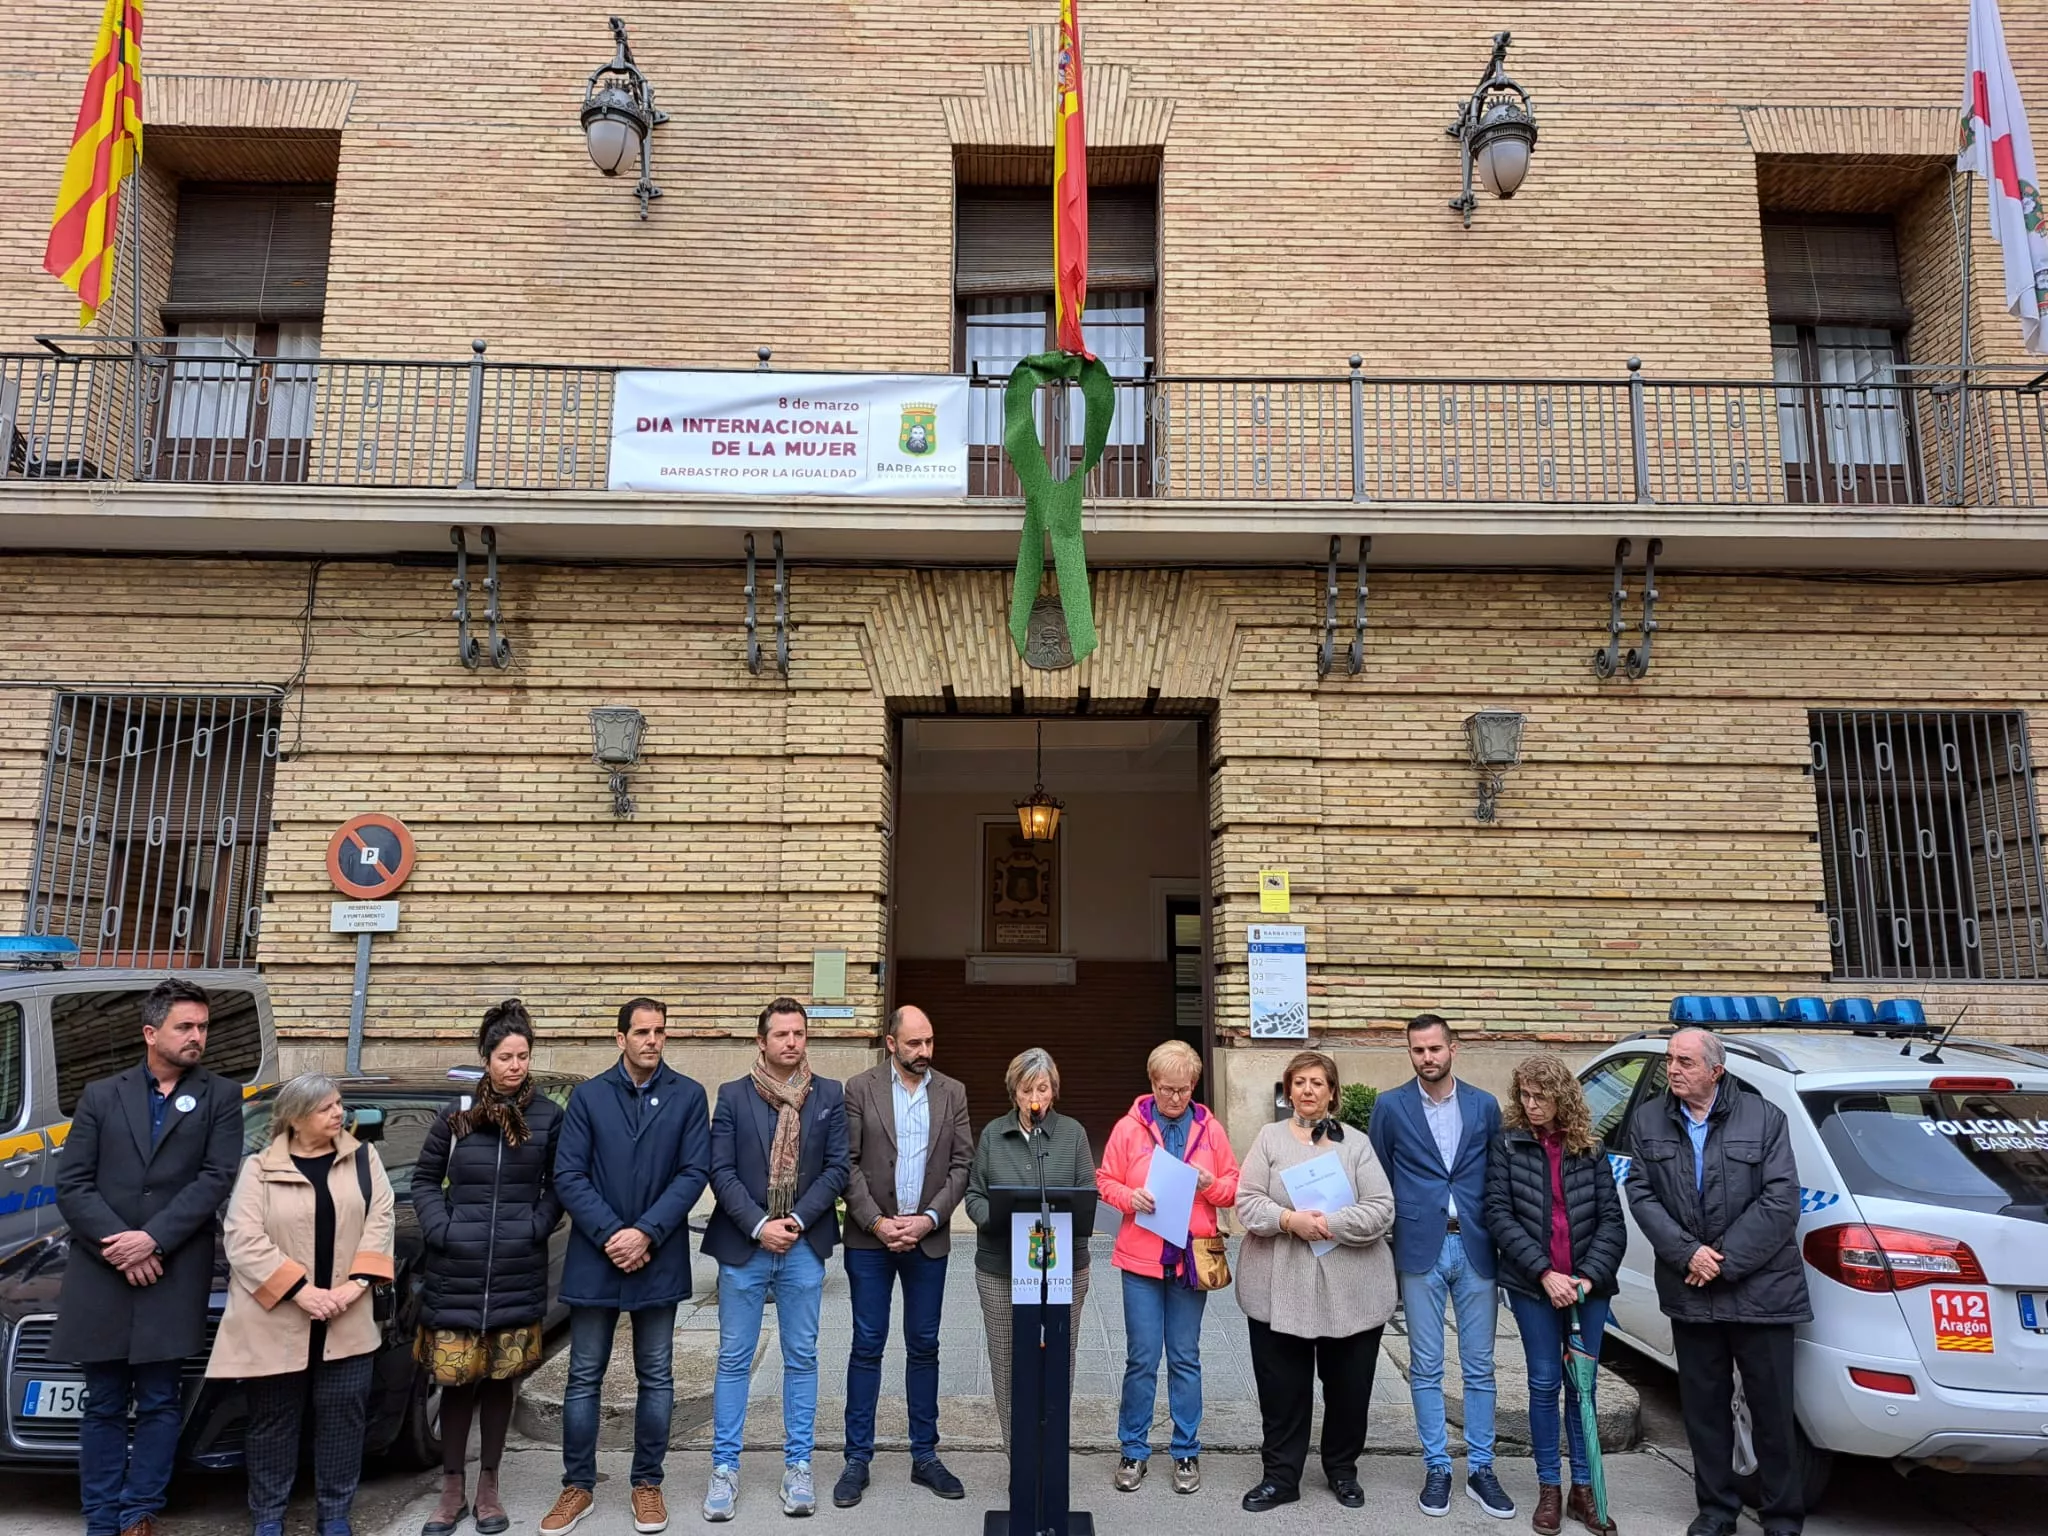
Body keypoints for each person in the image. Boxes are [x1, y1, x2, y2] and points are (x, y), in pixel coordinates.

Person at [54, 977, 244, 1536]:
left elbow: (215, 1179)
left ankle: (140, 1511)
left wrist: (153, 1239)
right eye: (185, 1026)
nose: (198, 1037)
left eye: (203, 1027)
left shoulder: (221, 1097)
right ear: (150, 1032)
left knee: (161, 1398)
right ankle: (101, 1518)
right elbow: (73, 1186)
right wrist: (121, 1244)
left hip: (171, 1269)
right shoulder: (101, 1095)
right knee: (105, 1401)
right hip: (104, 1269)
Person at [1624, 1028, 1810, 1536]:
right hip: (1691, 1291)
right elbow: (1642, 1194)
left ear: (1715, 1070)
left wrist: (1720, 1262)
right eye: (1670, 1060)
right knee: (1705, 1413)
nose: (1673, 1069)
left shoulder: (1764, 1118)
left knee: (1771, 1413)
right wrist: (1688, 1253)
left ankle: (1782, 1517)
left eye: (1685, 1061)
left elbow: (1780, 1202)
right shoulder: (1648, 1120)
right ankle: (1716, 1510)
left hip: (1761, 1292)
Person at [541, 998, 712, 1536]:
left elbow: (693, 1173)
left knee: (656, 1377)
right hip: (597, 1258)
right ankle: (577, 1486)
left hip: (657, 1259)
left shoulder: (688, 1096)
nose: (651, 1040)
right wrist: (615, 1233)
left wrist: (647, 1232)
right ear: (620, 1039)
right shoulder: (589, 1097)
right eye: (641, 1031)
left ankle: (647, 1484)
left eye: (660, 1031)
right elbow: (568, 1174)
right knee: (583, 1376)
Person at [207, 1073, 397, 1536]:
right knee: (273, 1423)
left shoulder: (364, 1159)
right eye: (326, 1107)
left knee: (342, 1422)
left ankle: (334, 1514)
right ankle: (268, 1517)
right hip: (277, 1319)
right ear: (295, 1118)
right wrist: (303, 1292)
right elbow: (243, 1239)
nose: (339, 1113)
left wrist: (353, 1288)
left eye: (339, 1104)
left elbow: (382, 1220)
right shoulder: (258, 1169)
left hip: (346, 1317)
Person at [411, 1001, 565, 1536]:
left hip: (516, 1268)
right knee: (456, 1381)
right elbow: (425, 1181)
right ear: (486, 1058)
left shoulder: (546, 1115)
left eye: (523, 1055)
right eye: (505, 1056)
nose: (515, 1065)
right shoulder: (455, 1116)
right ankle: (451, 1488)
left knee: (501, 1380)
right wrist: (443, 1230)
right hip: (458, 1268)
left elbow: (556, 1186)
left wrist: (534, 1226)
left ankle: (489, 1486)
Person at [702, 998, 851, 1522]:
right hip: (744, 1247)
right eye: (782, 1034)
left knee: (803, 1358)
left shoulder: (829, 1094)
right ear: (761, 1041)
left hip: (803, 1247)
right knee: (734, 1359)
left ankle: (798, 1466)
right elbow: (719, 1171)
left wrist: (795, 1223)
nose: (792, 1042)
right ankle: (723, 1470)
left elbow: (837, 1170)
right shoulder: (733, 1096)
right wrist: (761, 1225)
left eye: (800, 1034)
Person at [1234, 1049, 1397, 1513]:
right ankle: (1280, 1477)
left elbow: (1382, 1208)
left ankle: (1342, 1470)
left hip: (1352, 1290)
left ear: (1332, 1093)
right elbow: (1246, 1202)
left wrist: (1330, 1225)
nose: (1307, 1090)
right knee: (1282, 1389)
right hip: (1278, 1289)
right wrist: (1288, 1219)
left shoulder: (1357, 1145)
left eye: (1317, 1083)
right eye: (1299, 1082)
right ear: (1288, 1090)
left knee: (1349, 1389)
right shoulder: (1268, 1139)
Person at [1368, 1013, 1513, 1520]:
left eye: (1434, 1048)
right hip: (1418, 1246)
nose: (1426, 1057)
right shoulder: (1389, 1107)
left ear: (1453, 1048)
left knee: (1479, 1367)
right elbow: (1380, 1177)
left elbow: (1498, 1174)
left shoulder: (1484, 1105)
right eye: (1417, 1050)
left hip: (1475, 1247)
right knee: (1425, 1368)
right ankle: (1437, 1467)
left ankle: (1482, 1468)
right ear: (1409, 1053)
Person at [1484, 1052, 1629, 1536]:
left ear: (1561, 1097)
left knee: (1581, 1388)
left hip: (1588, 1288)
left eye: (1540, 1096)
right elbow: (1499, 1214)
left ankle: (1583, 1489)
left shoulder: (1589, 1147)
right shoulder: (1507, 1144)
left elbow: (1611, 1219)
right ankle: (1549, 1486)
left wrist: (1586, 1278)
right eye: (1524, 1095)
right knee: (1544, 1383)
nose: (1531, 1105)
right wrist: (1545, 1273)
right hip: (1534, 1286)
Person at [834, 1005, 973, 1507]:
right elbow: (846, 1163)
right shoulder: (859, 1088)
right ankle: (856, 1459)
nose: (924, 1052)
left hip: (927, 1239)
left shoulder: (952, 1092)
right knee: (867, 1344)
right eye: (914, 1043)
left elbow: (962, 1164)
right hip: (871, 1241)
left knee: (925, 1345)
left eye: (929, 1042)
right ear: (891, 1043)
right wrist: (876, 1221)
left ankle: (925, 1456)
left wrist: (929, 1219)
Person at [1094, 1039, 1242, 1496]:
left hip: (1191, 1258)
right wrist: (1128, 1198)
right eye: (1165, 1089)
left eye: (1182, 1089)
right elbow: (1104, 1181)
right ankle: (1133, 1450)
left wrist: (1211, 1183)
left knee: (1185, 1357)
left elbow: (1234, 1187)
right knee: (1141, 1358)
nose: (1174, 1098)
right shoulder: (1128, 1128)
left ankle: (1185, 1450)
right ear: (1152, 1084)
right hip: (1141, 1256)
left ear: (1194, 1085)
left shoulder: (1210, 1130)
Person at [964, 1046, 1096, 1450]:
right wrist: (995, 1218)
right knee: (1007, 1363)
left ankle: (1052, 1454)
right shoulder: (992, 1135)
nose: (1034, 1099)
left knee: (1058, 1359)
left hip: (1063, 1268)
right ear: (1013, 1093)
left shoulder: (1072, 1133)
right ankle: (1016, 1456)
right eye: (1026, 1090)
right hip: (1001, 1267)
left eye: (1042, 1088)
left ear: (1054, 1090)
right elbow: (974, 1196)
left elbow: (1088, 1193)